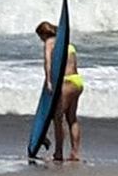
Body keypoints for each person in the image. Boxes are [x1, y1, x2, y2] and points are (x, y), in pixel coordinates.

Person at [36, 20, 84, 161]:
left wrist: (49, 82)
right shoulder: (68, 44)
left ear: (44, 34)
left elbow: (48, 63)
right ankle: (75, 153)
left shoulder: (50, 43)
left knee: (57, 118)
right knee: (72, 118)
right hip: (77, 81)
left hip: (66, 82)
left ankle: (58, 153)